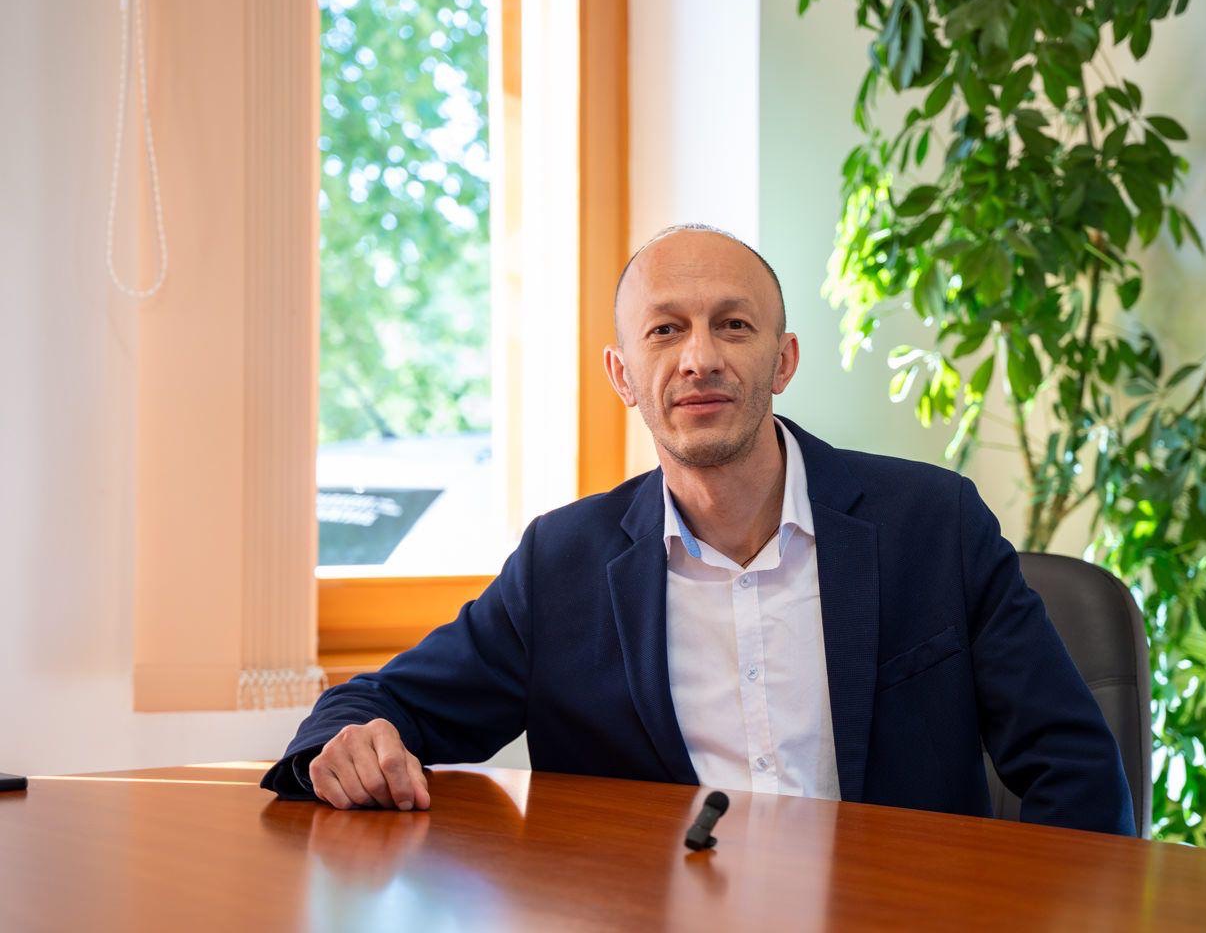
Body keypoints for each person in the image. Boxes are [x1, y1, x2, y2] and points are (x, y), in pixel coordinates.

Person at [262, 223, 1135, 835]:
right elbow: (374, 706)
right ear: (624, 376)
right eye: (665, 330)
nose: (700, 358)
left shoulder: (932, 525)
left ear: (782, 360)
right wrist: (348, 745)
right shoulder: (563, 565)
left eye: (733, 325)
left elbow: (1076, 769)